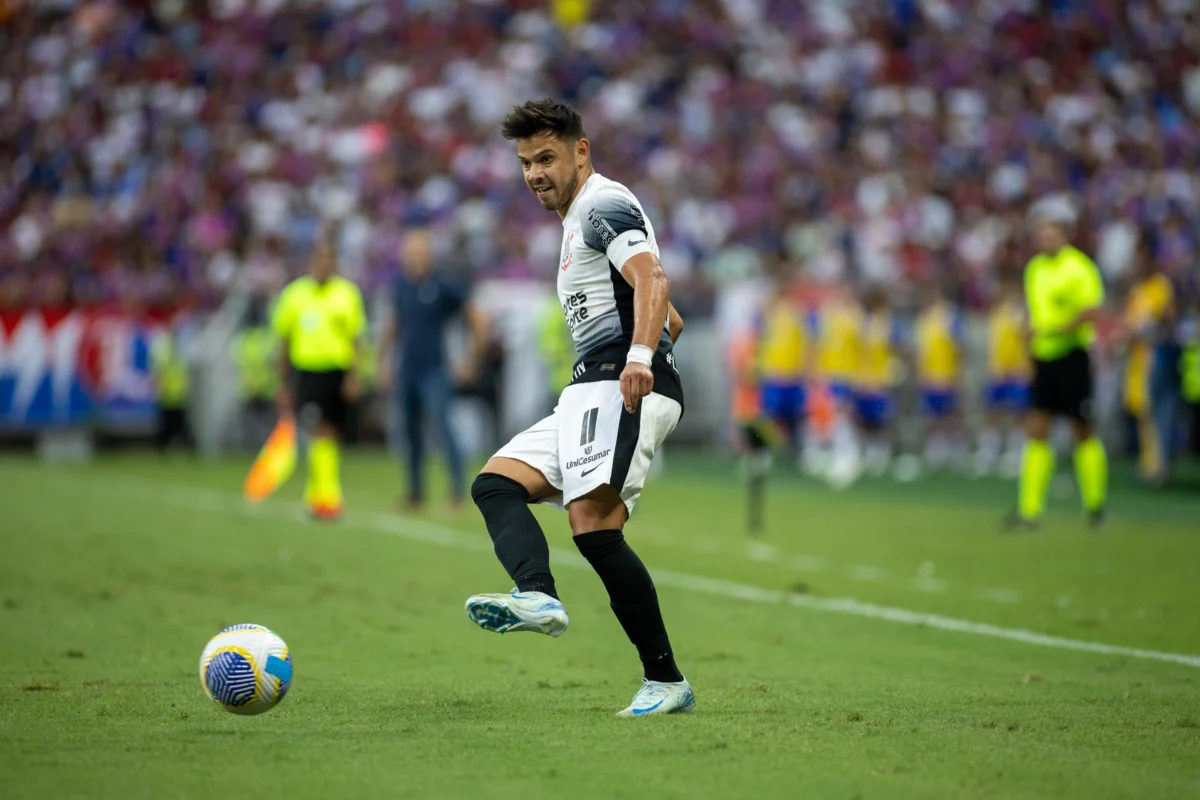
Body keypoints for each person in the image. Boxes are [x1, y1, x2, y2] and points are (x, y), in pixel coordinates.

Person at [462, 98, 692, 717]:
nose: (535, 172)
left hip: (623, 380)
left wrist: (643, 357)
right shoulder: (575, 221)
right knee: (495, 484)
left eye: (546, 158)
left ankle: (665, 680)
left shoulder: (601, 203)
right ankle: (536, 594)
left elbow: (655, 282)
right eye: (525, 163)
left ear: (580, 151)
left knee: (593, 527)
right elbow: (670, 310)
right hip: (592, 386)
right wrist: (655, 334)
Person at [1006, 198, 1108, 531]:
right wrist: (1029, 333)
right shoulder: (1035, 269)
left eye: (1051, 233)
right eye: (1041, 233)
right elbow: (1035, 313)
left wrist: (1050, 328)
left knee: (1082, 430)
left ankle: (1095, 507)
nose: (1045, 238)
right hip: (1044, 359)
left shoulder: (1079, 268)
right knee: (1037, 429)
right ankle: (1029, 510)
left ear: (1065, 235)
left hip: (1072, 357)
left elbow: (1089, 312)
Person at [378, 228, 488, 510]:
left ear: (430, 256)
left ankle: (456, 492)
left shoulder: (442, 285)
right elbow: (394, 325)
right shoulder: (401, 285)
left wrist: (470, 359)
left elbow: (476, 317)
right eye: (410, 253)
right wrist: (383, 361)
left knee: (444, 430)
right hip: (407, 370)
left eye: (420, 253)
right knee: (410, 433)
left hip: (435, 370)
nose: (415, 259)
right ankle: (415, 492)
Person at [272, 231, 367, 520]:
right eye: (319, 257)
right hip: (308, 371)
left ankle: (320, 495)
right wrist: (283, 384)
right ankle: (326, 496)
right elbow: (283, 343)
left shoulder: (347, 293)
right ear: (310, 261)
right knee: (318, 429)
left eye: (329, 258)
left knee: (332, 432)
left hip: (337, 371)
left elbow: (356, 340)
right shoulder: (294, 295)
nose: (324, 263)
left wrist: (354, 376)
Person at [1119, 245, 1174, 484]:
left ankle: (1158, 465)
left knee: (1154, 411)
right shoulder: (1138, 290)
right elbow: (1129, 323)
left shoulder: (1161, 286)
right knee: (1141, 411)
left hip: (1155, 356)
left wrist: (1147, 326)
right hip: (1137, 358)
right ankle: (1148, 462)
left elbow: (1167, 316)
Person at [977, 275, 1031, 477]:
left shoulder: (1019, 312)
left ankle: (1016, 452)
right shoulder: (995, 312)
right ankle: (989, 451)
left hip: (1017, 370)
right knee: (991, 411)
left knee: (1018, 413)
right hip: (997, 370)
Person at [754, 266, 808, 461]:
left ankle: (792, 452)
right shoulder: (769, 315)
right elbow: (762, 343)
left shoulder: (796, 314)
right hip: (775, 373)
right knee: (771, 416)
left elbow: (805, 344)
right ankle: (771, 451)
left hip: (790, 373)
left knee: (792, 418)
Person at [914, 283, 966, 471]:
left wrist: (957, 370)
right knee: (932, 414)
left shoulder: (950, 316)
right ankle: (936, 449)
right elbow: (922, 349)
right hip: (930, 374)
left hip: (947, 372)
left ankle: (956, 449)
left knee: (950, 413)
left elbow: (958, 345)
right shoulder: (924, 319)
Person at [855, 286, 902, 476]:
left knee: (880, 417)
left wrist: (893, 369)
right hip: (866, 376)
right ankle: (868, 450)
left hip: (882, 377)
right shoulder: (863, 323)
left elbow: (896, 348)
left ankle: (881, 451)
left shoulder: (888, 323)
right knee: (865, 416)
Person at [150, 320, 193, 453]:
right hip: (169, 394)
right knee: (169, 424)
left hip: (177, 394)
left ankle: (175, 447)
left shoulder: (177, 350)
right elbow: (160, 371)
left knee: (177, 424)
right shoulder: (167, 350)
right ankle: (165, 447)